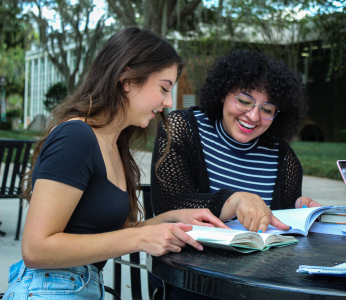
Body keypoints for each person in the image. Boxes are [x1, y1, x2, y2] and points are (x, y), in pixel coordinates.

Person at [2, 27, 229, 300]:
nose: (168, 102)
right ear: (128, 80)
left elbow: (104, 234)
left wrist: (169, 220)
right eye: (164, 88)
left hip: (83, 287)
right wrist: (138, 239)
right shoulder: (76, 137)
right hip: (49, 289)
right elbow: (36, 250)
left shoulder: (112, 144)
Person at [151, 50, 321, 234]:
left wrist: (297, 210)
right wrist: (233, 201)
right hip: (189, 259)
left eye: (267, 109)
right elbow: (168, 207)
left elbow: (283, 230)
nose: (253, 116)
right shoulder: (182, 129)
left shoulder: (284, 158)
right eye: (244, 101)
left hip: (262, 262)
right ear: (224, 93)